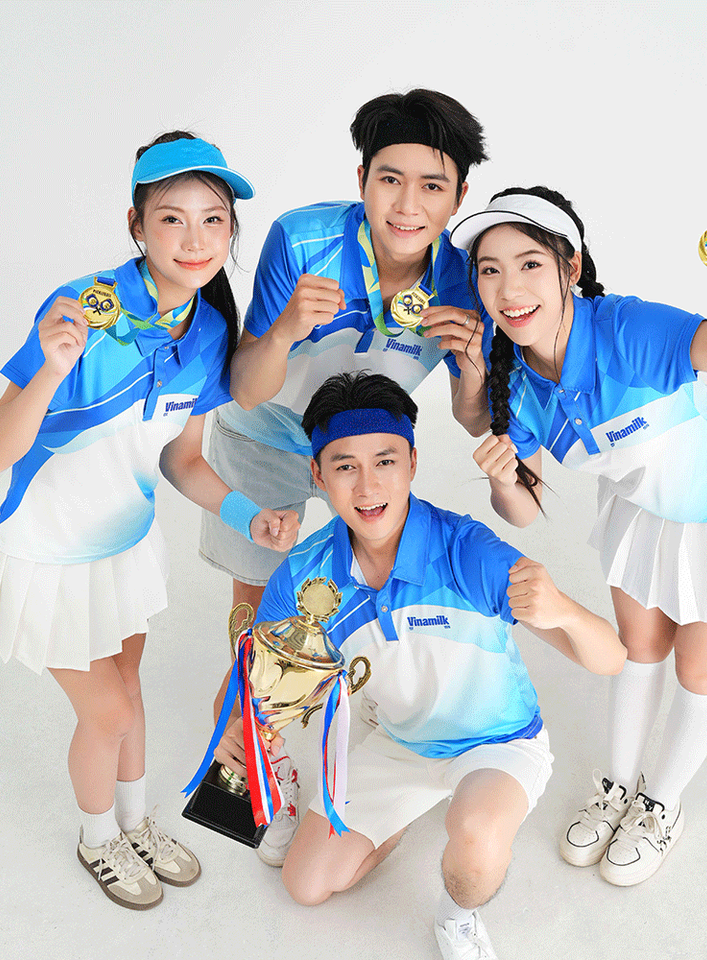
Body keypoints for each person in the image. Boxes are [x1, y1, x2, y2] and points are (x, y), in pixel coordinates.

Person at [0, 132, 299, 911]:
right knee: (106, 712)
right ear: (137, 225)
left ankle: (138, 824)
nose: (196, 238)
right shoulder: (81, 307)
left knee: (130, 695)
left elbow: (183, 460)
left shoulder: (208, 330)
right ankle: (96, 837)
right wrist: (50, 370)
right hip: (45, 553)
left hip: (122, 547)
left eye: (214, 220)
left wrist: (250, 515)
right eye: (172, 218)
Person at [450, 187, 707, 886]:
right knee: (640, 651)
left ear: (570, 268)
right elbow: (524, 512)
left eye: (529, 264)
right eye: (490, 270)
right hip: (646, 510)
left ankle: (663, 803)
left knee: (700, 671)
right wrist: (503, 483)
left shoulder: (630, 329)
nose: (509, 289)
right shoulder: (515, 377)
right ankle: (618, 786)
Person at [215, 371, 626, 960]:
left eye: (384, 461)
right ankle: (401, 815)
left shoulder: (468, 552)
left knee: (477, 835)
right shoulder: (305, 576)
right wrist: (244, 729)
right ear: (317, 476)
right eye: (344, 466)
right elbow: (263, 687)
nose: (367, 485)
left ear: (412, 462)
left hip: (496, 743)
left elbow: (611, 659)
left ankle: (458, 917)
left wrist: (564, 609)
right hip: (400, 742)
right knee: (305, 885)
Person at [200, 88, 491, 863]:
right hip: (264, 441)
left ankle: (365, 722)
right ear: (362, 177)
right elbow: (245, 388)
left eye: (433, 186)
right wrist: (286, 328)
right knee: (264, 616)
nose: (408, 204)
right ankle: (255, 769)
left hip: (364, 457)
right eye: (390, 179)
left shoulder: (466, 277)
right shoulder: (304, 239)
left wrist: (470, 366)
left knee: (366, 590)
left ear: (460, 195)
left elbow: (472, 419)